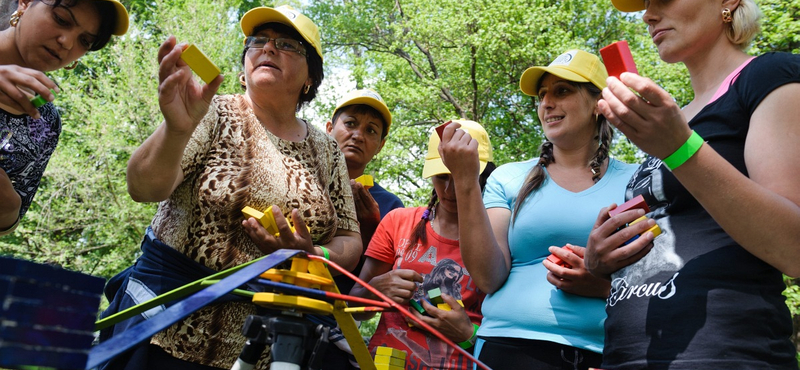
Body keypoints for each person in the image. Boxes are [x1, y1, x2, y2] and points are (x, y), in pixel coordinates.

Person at [100, 5, 361, 370]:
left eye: (287, 44)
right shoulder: (214, 112)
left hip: (269, 348)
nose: (268, 49)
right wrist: (175, 129)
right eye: (258, 41)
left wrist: (316, 253)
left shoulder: (326, 148)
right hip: (169, 330)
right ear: (244, 68)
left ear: (310, 79)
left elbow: (350, 239)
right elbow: (143, 188)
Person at [583, 0, 800, 369]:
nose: (648, 15)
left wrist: (680, 149)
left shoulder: (772, 75)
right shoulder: (674, 118)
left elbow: (793, 248)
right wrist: (598, 261)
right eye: (645, 5)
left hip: (727, 355)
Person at [438, 50, 639, 370]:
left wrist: (603, 287)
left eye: (562, 91)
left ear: (598, 105)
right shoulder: (508, 177)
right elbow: (488, 278)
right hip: (505, 348)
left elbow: (657, 283)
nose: (547, 103)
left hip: (600, 353)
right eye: (542, 94)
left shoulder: (637, 180)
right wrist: (465, 181)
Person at [350, 120, 495, 370]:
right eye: (441, 177)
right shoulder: (398, 221)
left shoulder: (498, 237)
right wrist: (375, 290)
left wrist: (468, 333)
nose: (449, 189)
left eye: (459, 176)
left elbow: (513, 336)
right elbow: (354, 308)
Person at [0, 0, 128, 236]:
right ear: (25, 3)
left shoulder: (46, 122)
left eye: (85, 41)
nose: (67, 42)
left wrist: (9, 205)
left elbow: (10, 219)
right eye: (61, 19)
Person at [323, 88, 404, 369]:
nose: (358, 135)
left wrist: (371, 229)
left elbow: (369, 306)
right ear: (329, 128)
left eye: (371, 130)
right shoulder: (299, 178)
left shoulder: (390, 207)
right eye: (350, 123)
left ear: (380, 145)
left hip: (337, 328)